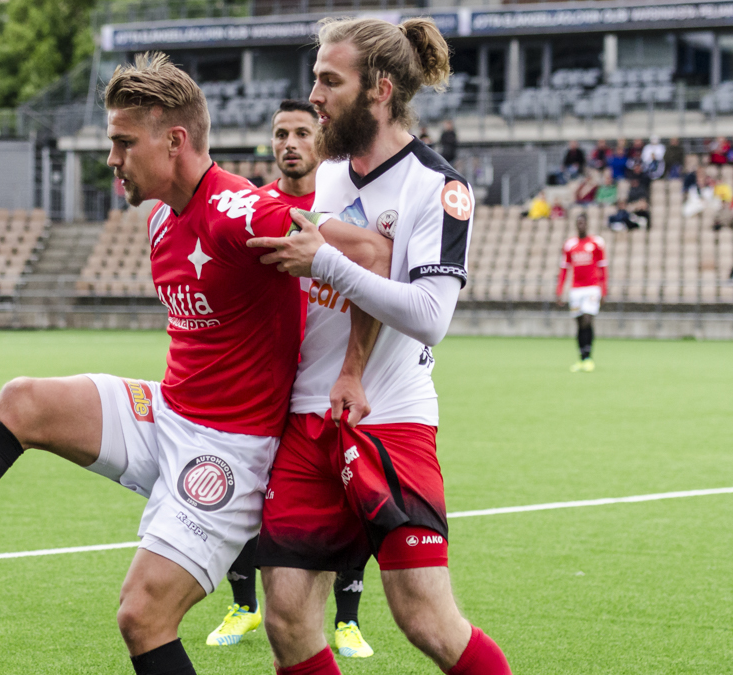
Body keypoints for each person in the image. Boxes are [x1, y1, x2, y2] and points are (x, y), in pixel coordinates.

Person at [0, 53, 391, 675]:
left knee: (142, 617)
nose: (112, 158)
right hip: (170, 410)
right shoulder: (163, 218)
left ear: (175, 141)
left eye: (123, 142)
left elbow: (374, 251)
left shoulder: (245, 213)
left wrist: (351, 368)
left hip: (229, 449)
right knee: (25, 400)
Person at [247, 17, 510, 675]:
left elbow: (428, 314)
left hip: (392, 423)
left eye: (330, 81)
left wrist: (327, 262)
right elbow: (347, 274)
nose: (315, 95)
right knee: (284, 614)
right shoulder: (327, 173)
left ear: (380, 90)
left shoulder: (437, 186)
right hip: (309, 420)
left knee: (424, 617)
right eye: (315, 79)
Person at [204, 98, 375, 659]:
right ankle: (244, 604)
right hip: (267, 386)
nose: (290, 144)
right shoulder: (253, 209)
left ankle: (347, 619)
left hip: (327, 388)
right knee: (241, 496)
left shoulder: (345, 212)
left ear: (322, 141)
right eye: (281, 134)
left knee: (350, 502)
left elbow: (374, 283)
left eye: (303, 132)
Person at [557, 214, 607, 372]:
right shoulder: (570, 245)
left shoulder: (596, 243)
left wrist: (603, 289)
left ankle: (589, 357)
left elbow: (602, 268)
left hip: (592, 287)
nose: (581, 225)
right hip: (576, 289)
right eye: (578, 222)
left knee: (587, 319)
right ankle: (582, 358)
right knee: (579, 323)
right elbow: (564, 269)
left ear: (587, 224)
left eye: (583, 222)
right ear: (575, 224)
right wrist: (560, 290)